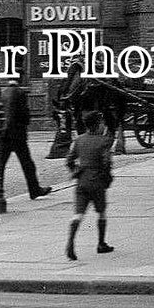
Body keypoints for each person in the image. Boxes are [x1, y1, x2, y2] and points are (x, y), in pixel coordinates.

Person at [65, 110, 115, 261]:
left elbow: (69, 160)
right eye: (101, 123)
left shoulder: (79, 140)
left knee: (78, 214)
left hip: (82, 182)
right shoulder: (104, 141)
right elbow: (106, 162)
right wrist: (107, 177)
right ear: (97, 125)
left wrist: (75, 171)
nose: (103, 125)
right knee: (101, 212)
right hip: (97, 182)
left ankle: (70, 241)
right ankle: (101, 243)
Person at [1, 79, 52, 200]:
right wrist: (26, 121)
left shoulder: (3, 93)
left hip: (4, 134)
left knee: (0, 165)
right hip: (17, 134)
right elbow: (24, 114)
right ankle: (34, 190)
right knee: (27, 164)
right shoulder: (20, 93)